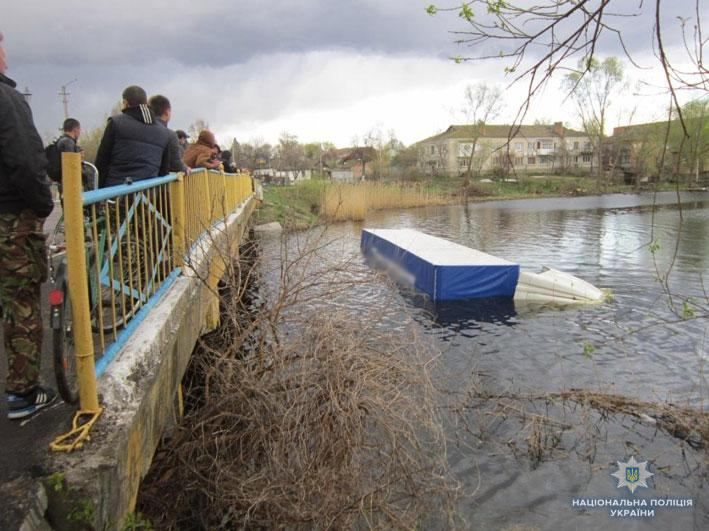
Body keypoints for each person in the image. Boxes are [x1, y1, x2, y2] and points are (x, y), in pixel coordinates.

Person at [0, 31, 57, 419]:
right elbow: (25, 159)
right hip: (10, 220)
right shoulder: (7, 100)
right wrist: (42, 204)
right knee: (21, 306)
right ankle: (24, 394)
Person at [95, 85, 170, 187]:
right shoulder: (164, 132)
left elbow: (102, 161)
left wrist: (99, 192)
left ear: (125, 103)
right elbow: (164, 170)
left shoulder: (116, 123)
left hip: (117, 193)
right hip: (149, 195)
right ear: (146, 102)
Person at [148, 94, 189, 173]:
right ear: (167, 112)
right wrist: (186, 169)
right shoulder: (170, 135)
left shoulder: (136, 127)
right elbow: (176, 164)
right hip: (156, 180)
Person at [56, 118, 94, 190]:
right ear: (75, 129)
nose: (80, 132)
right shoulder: (68, 143)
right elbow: (71, 165)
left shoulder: (61, 141)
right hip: (70, 186)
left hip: (64, 183)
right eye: (79, 129)